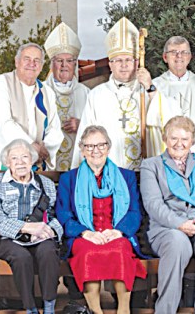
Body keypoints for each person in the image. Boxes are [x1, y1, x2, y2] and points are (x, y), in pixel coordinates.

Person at [141, 116, 195, 313]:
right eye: (174, 138)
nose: (179, 144)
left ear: (192, 141)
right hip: (167, 228)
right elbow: (153, 204)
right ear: (165, 139)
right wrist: (180, 224)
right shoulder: (151, 165)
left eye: (185, 139)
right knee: (178, 243)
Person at [58, 125, 146, 314]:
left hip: (116, 233)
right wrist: (85, 233)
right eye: (89, 146)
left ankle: (124, 310)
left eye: (100, 145)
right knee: (88, 252)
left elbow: (134, 211)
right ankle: (95, 311)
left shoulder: (126, 177)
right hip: (85, 235)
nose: (95, 151)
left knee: (120, 250)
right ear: (82, 150)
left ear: (108, 147)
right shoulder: (69, 179)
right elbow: (64, 214)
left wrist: (118, 231)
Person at [73, 17, 176, 169]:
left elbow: (170, 123)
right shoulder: (97, 95)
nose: (124, 65)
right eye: (118, 60)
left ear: (137, 63)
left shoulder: (148, 91)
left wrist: (150, 88)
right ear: (110, 64)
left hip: (145, 172)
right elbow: (85, 136)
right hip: (109, 171)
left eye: (129, 60)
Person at [0, 139, 63, 314]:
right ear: (7, 162)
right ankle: (30, 308)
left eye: (25, 157)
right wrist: (26, 228)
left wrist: (51, 231)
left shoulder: (46, 184)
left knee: (49, 252)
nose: (20, 162)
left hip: (41, 235)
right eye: (14, 158)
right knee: (21, 257)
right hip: (7, 238)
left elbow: (53, 215)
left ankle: (49, 307)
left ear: (32, 160)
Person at [0, 43, 64, 170]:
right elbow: (4, 123)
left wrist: (43, 150)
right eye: (27, 59)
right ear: (17, 62)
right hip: (9, 164)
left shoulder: (46, 91)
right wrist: (31, 147)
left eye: (37, 60)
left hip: (39, 165)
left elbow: (54, 129)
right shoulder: (1, 83)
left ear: (41, 66)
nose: (32, 64)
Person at [151, 36, 195, 155]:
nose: (179, 56)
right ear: (165, 57)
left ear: (189, 57)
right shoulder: (155, 86)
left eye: (184, 52)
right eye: (173, 52)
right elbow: (153, 121)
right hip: (164, 150)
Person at [43, 23, 90, 171]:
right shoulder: (40, 91)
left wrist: (82, 126)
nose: (64, 65)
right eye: (59, 61)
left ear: (75, 64)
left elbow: (99, 128)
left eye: (69, 61)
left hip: (77, 164)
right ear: (52, 64)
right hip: (48, 164)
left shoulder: (87, 93)